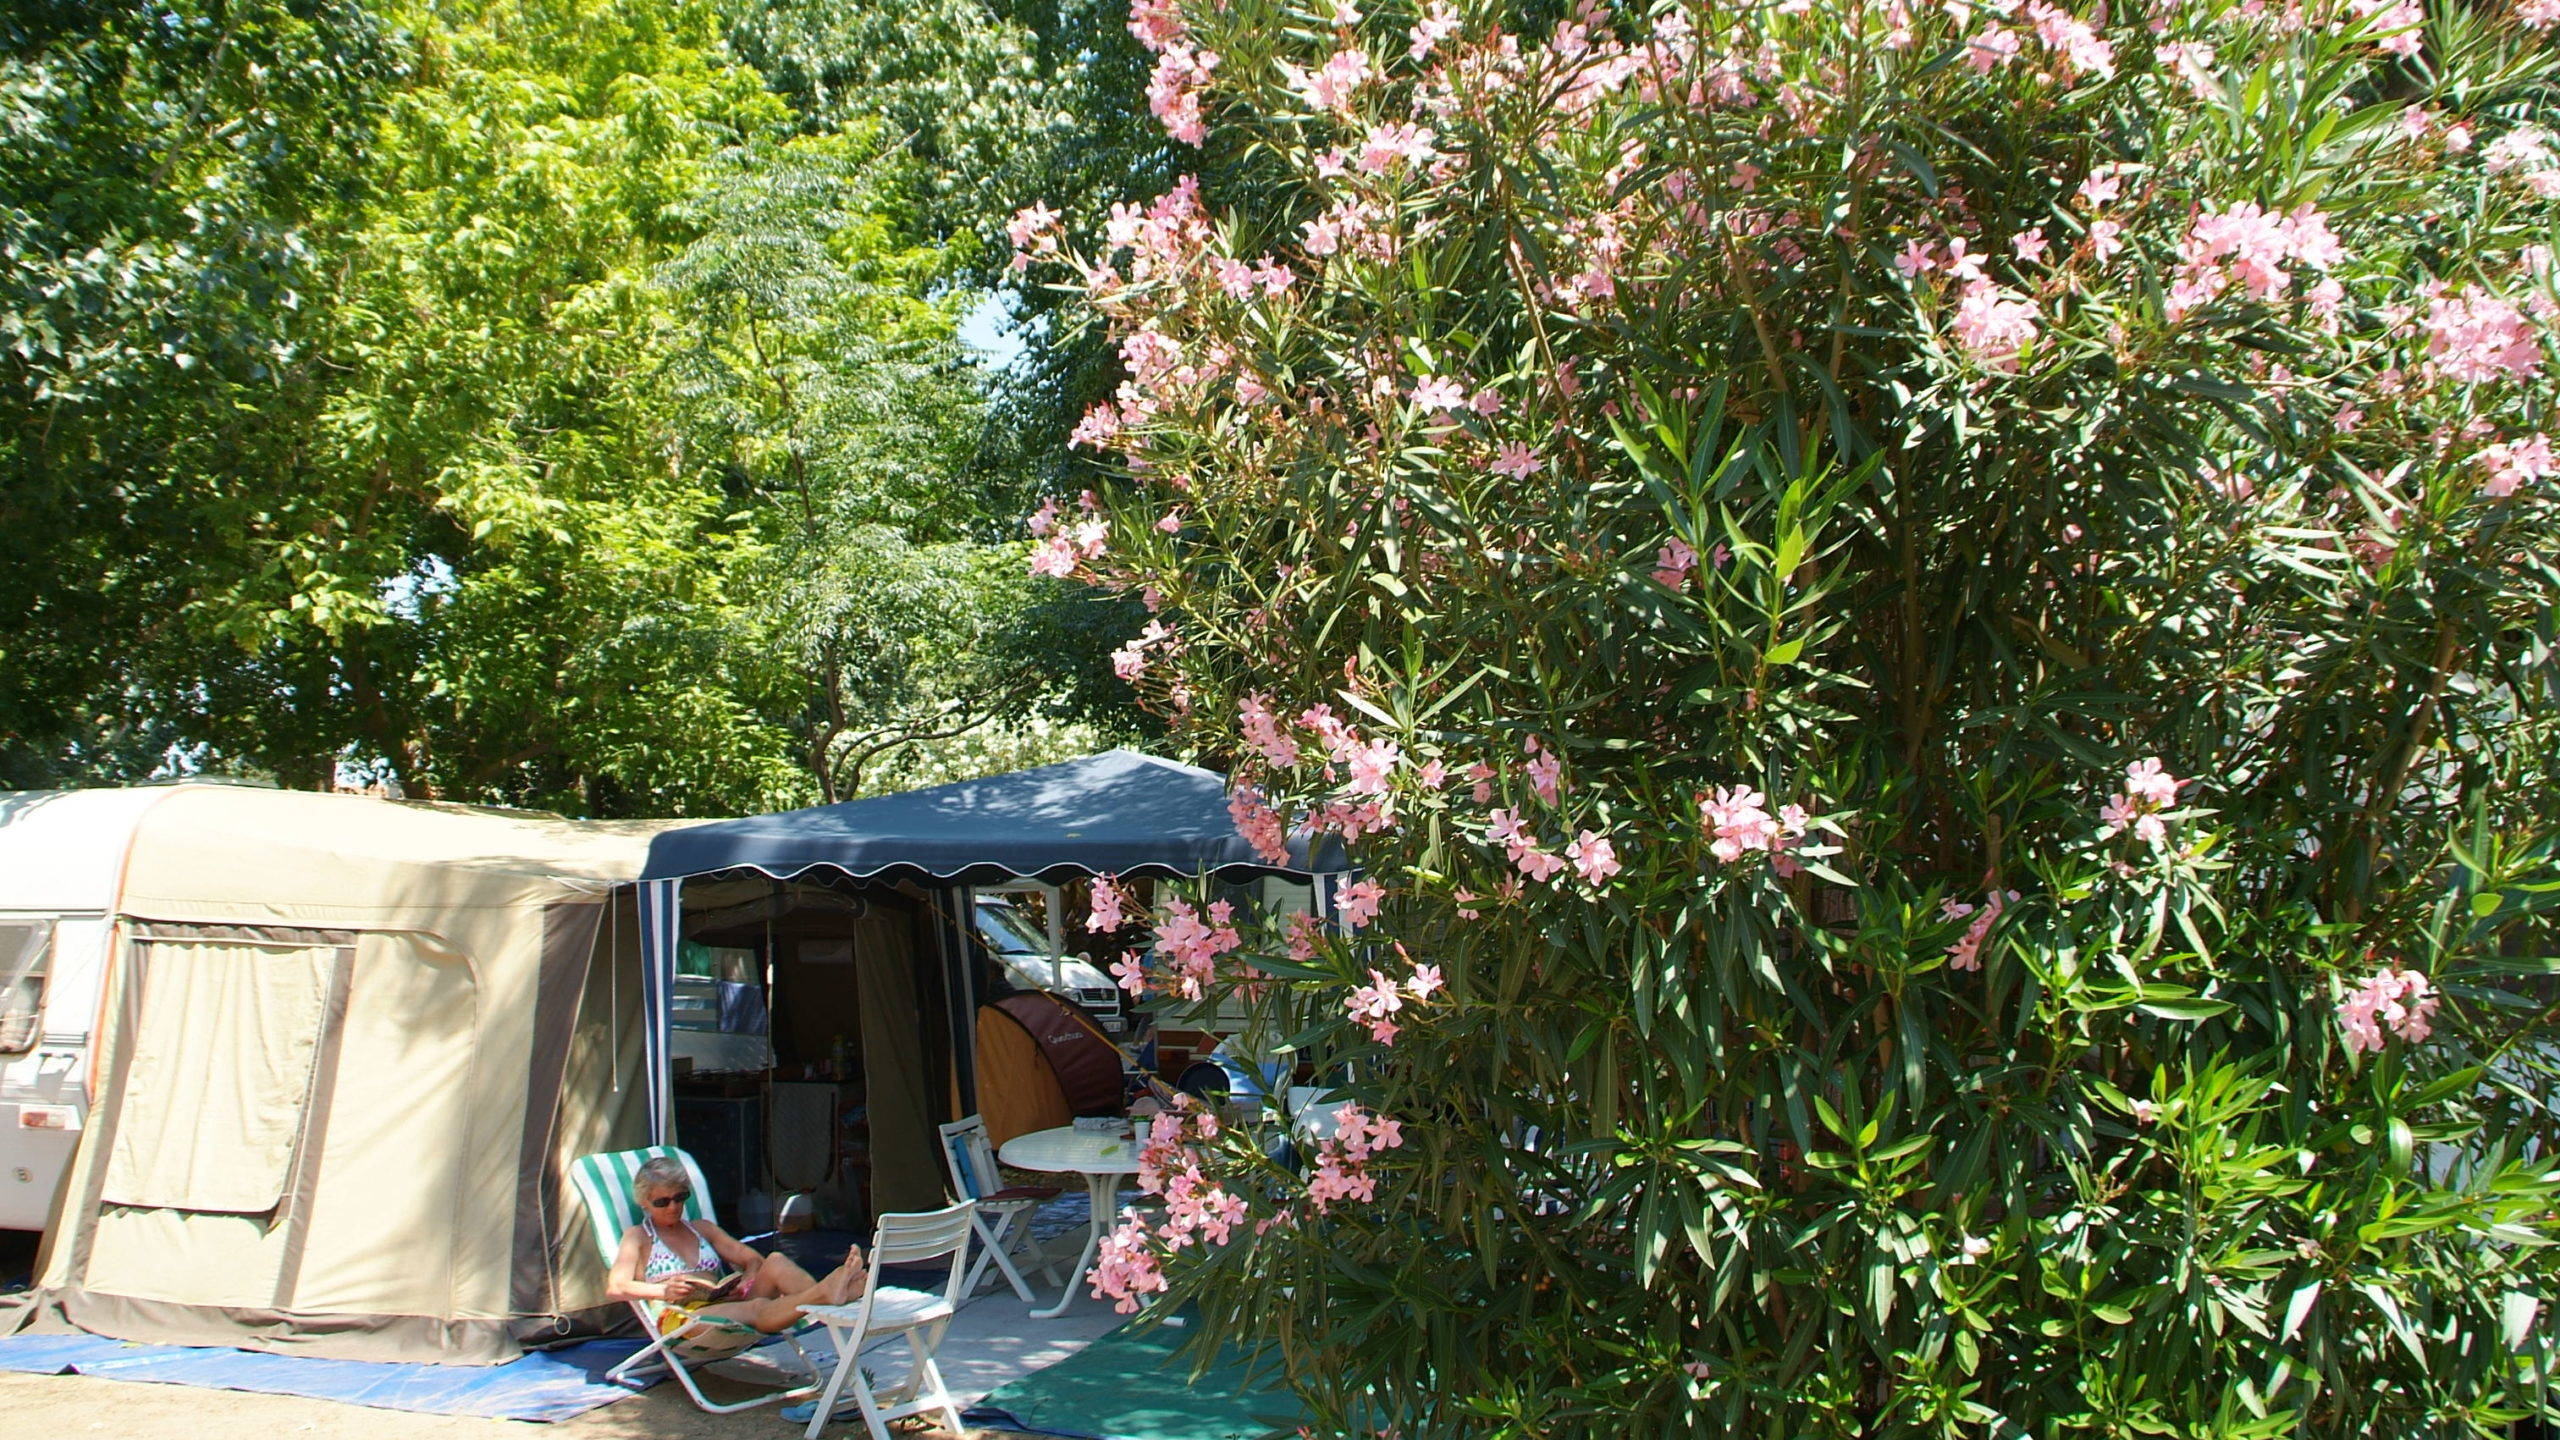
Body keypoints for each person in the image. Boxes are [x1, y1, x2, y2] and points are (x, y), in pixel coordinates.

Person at [606, 1157, 864, 1334]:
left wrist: (746, 1280)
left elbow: (753, 1259)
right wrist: (664, 1291)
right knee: (755, 1309)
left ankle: (832, 1296)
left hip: (724, 1303)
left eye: (680, 1197)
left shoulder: (701, 1228)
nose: (673, 1207)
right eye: (662, 1202)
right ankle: (828, 1295)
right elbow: (616, 1287)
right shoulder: (638, 1237)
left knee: (775, 1260)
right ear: (644, 1202)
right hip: (683, 1316)